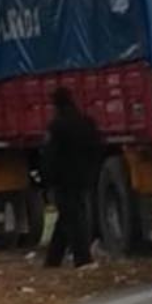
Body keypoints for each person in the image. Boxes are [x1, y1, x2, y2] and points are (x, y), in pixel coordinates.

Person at [42, 87, 103, 268]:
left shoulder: (56, 126)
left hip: (64, 181)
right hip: (83, 178)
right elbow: (96, 149)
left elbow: (49, 156)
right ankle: (53, 260)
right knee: (68, 218)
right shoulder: (87, 123)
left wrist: (48, 181)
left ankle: (81, 258)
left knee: (72, 219)